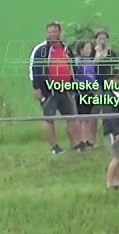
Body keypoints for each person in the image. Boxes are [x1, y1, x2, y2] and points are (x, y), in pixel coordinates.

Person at [30, 22, 80, 155]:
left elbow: (73, 66)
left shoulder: (66, 49)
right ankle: (54, 147)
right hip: (49, 90)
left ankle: (76, 144)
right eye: (50, 32)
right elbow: (34, 68)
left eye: (54, 31)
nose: (52, 34)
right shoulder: (41, 50)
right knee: (49, 118)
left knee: (71, 117)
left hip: (66, 89)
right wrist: (36, 88)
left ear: (59, 33)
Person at [72, 41, 99, 150]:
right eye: (86, 48)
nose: (89, 51)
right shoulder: (78, 62)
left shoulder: (90, 61)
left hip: (91, 90)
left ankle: (88, 139)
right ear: (80, 49)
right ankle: (82, 140)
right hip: (81, 91)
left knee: (88, 116)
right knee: (82, 116)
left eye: (90, 48)